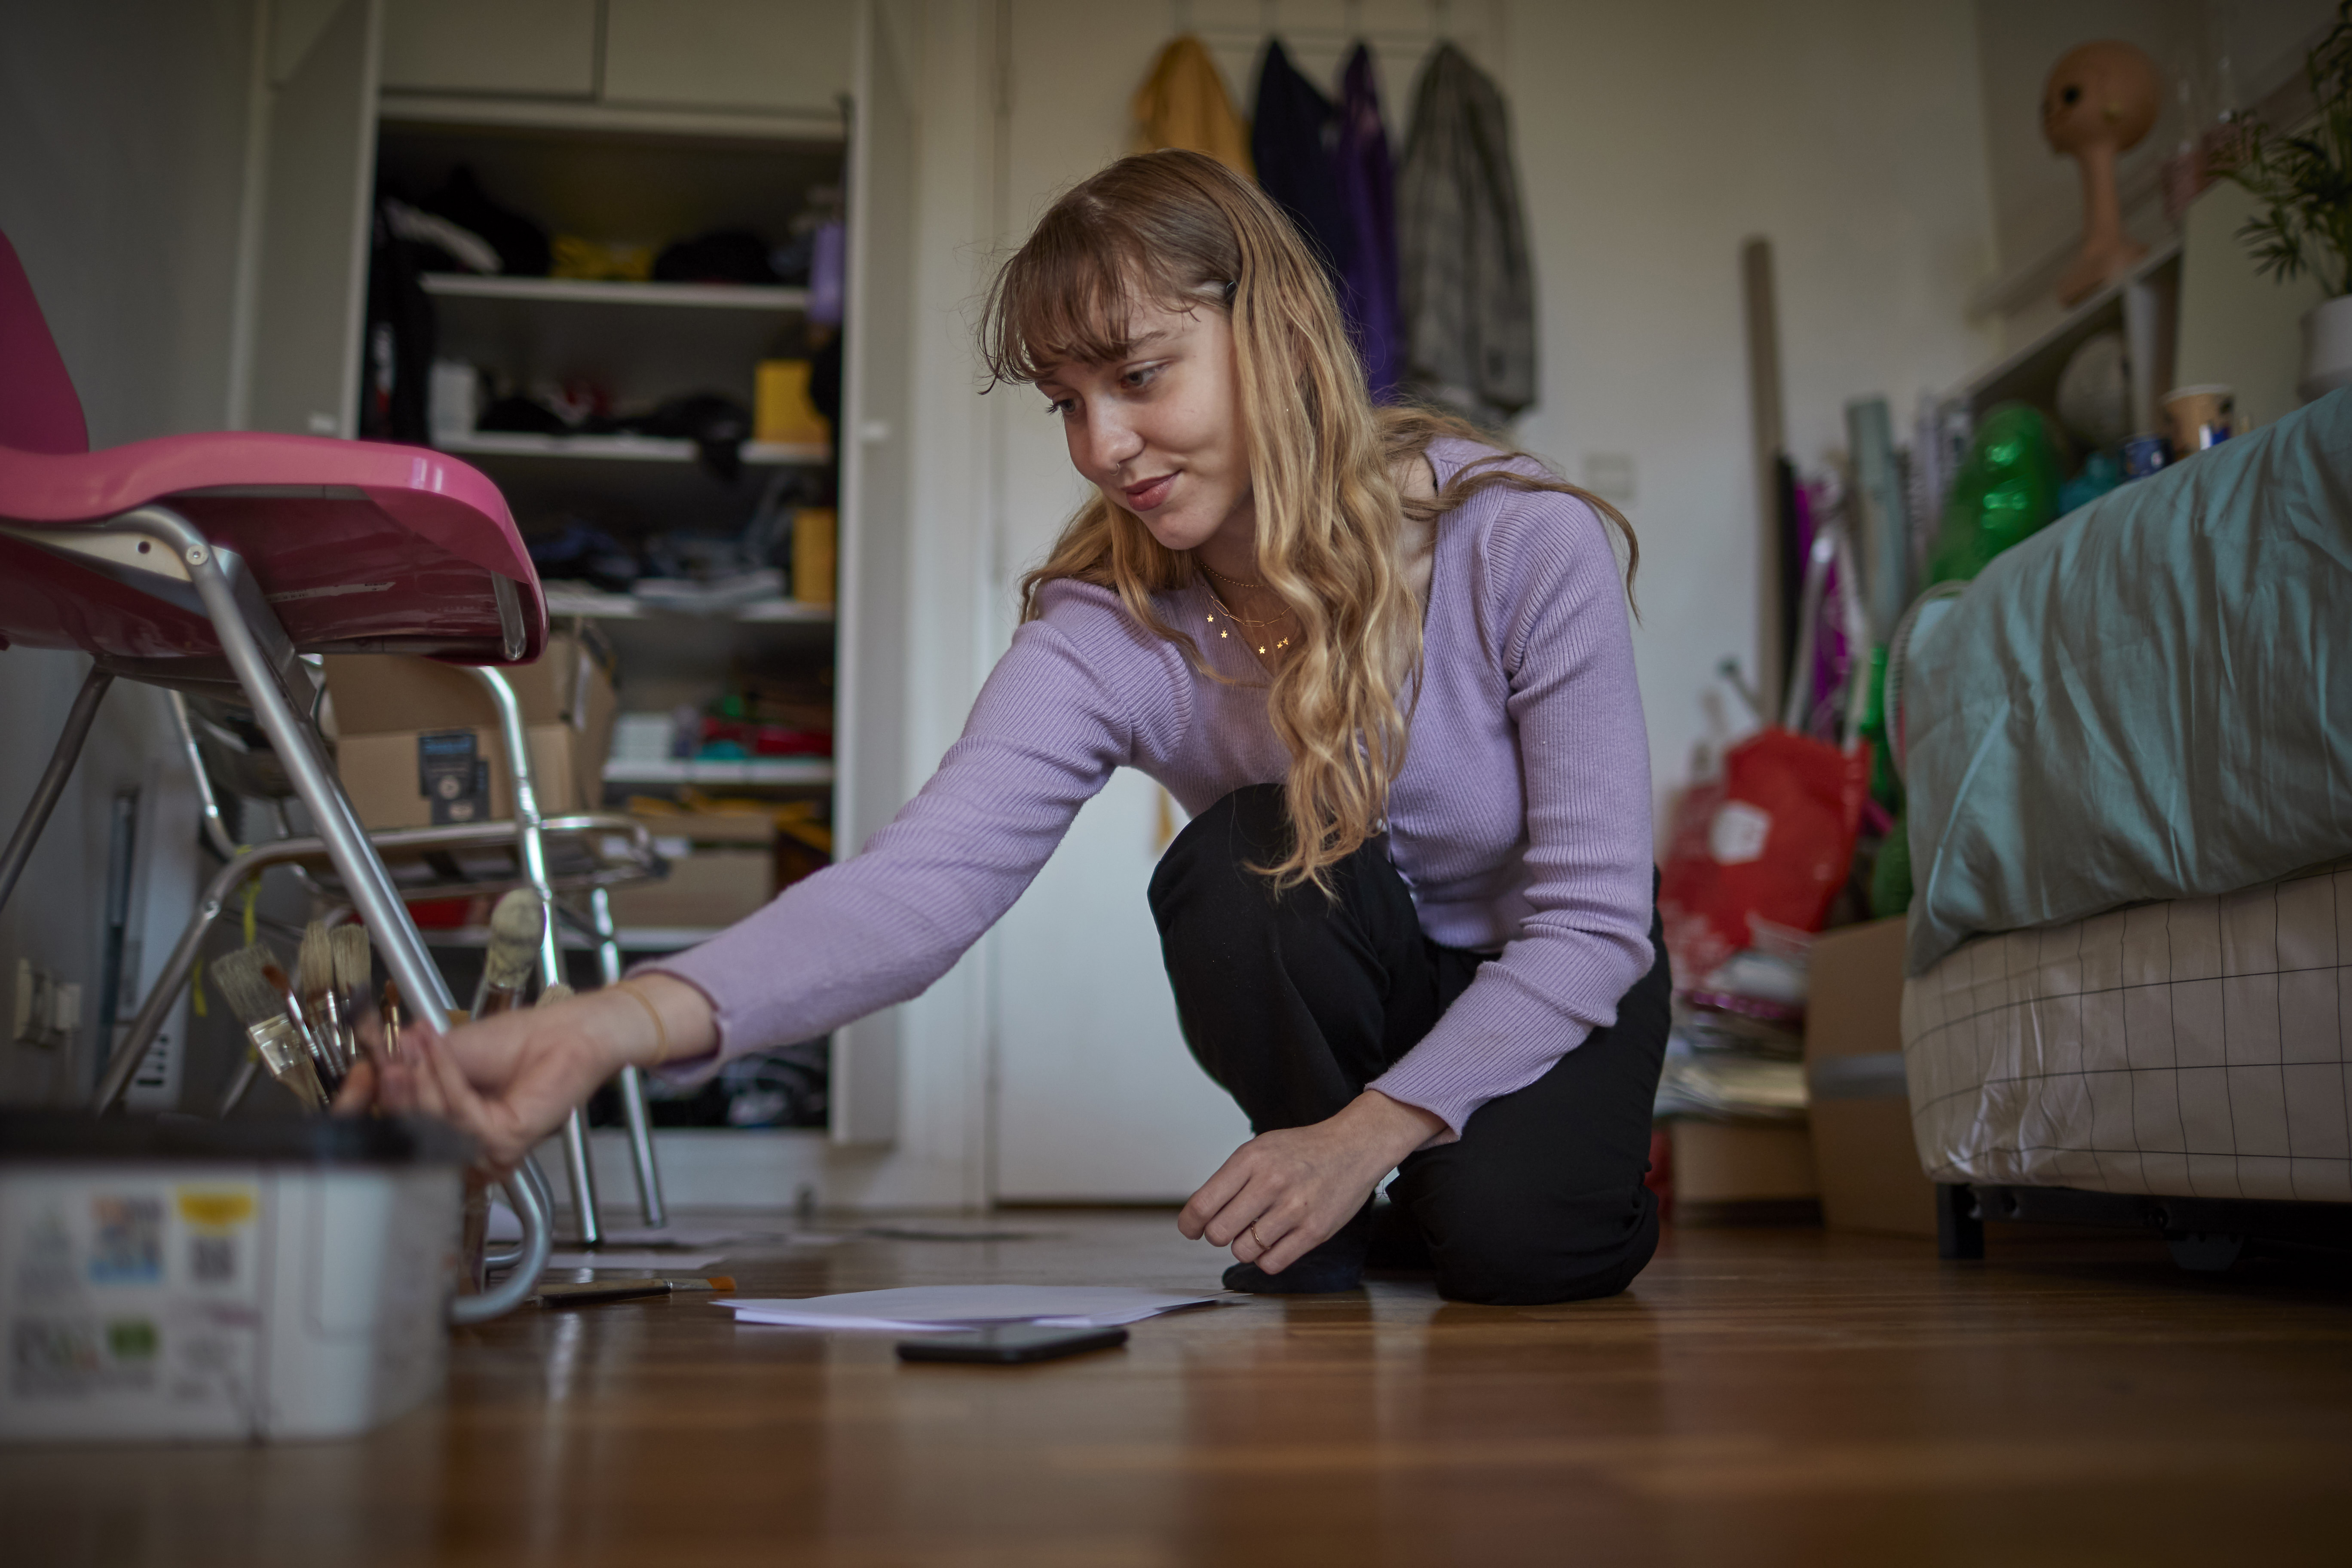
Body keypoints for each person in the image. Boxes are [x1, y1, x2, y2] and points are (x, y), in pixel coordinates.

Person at [361, 150, 1670, 1305]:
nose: (1104, 445)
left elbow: (1596, 920)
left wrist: (1375, 1131)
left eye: (1139, 376)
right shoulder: (1110, 628)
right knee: (1244, 862)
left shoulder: (1516, 539)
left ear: (1271, 332)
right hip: (1361, 976)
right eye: (1066, 402)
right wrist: (606, 1027)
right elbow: (919, 886)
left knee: (1518, 1251)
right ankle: (1342, 1192)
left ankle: (1409, 1181)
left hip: (1550, 969)